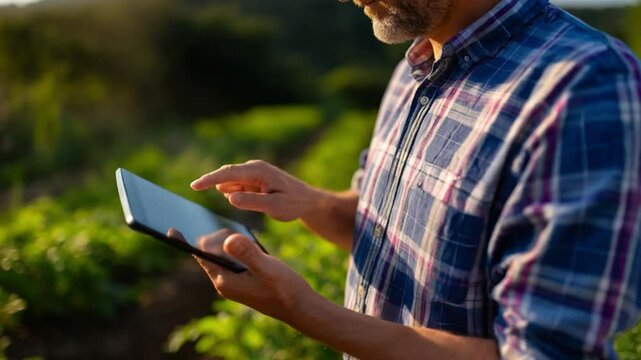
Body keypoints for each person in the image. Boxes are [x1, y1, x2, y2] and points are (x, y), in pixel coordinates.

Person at [185, 0, 641, 358]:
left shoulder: (584, 86)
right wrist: (315, 203)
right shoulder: (416, 66)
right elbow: (394, 228)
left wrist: (300, 308)